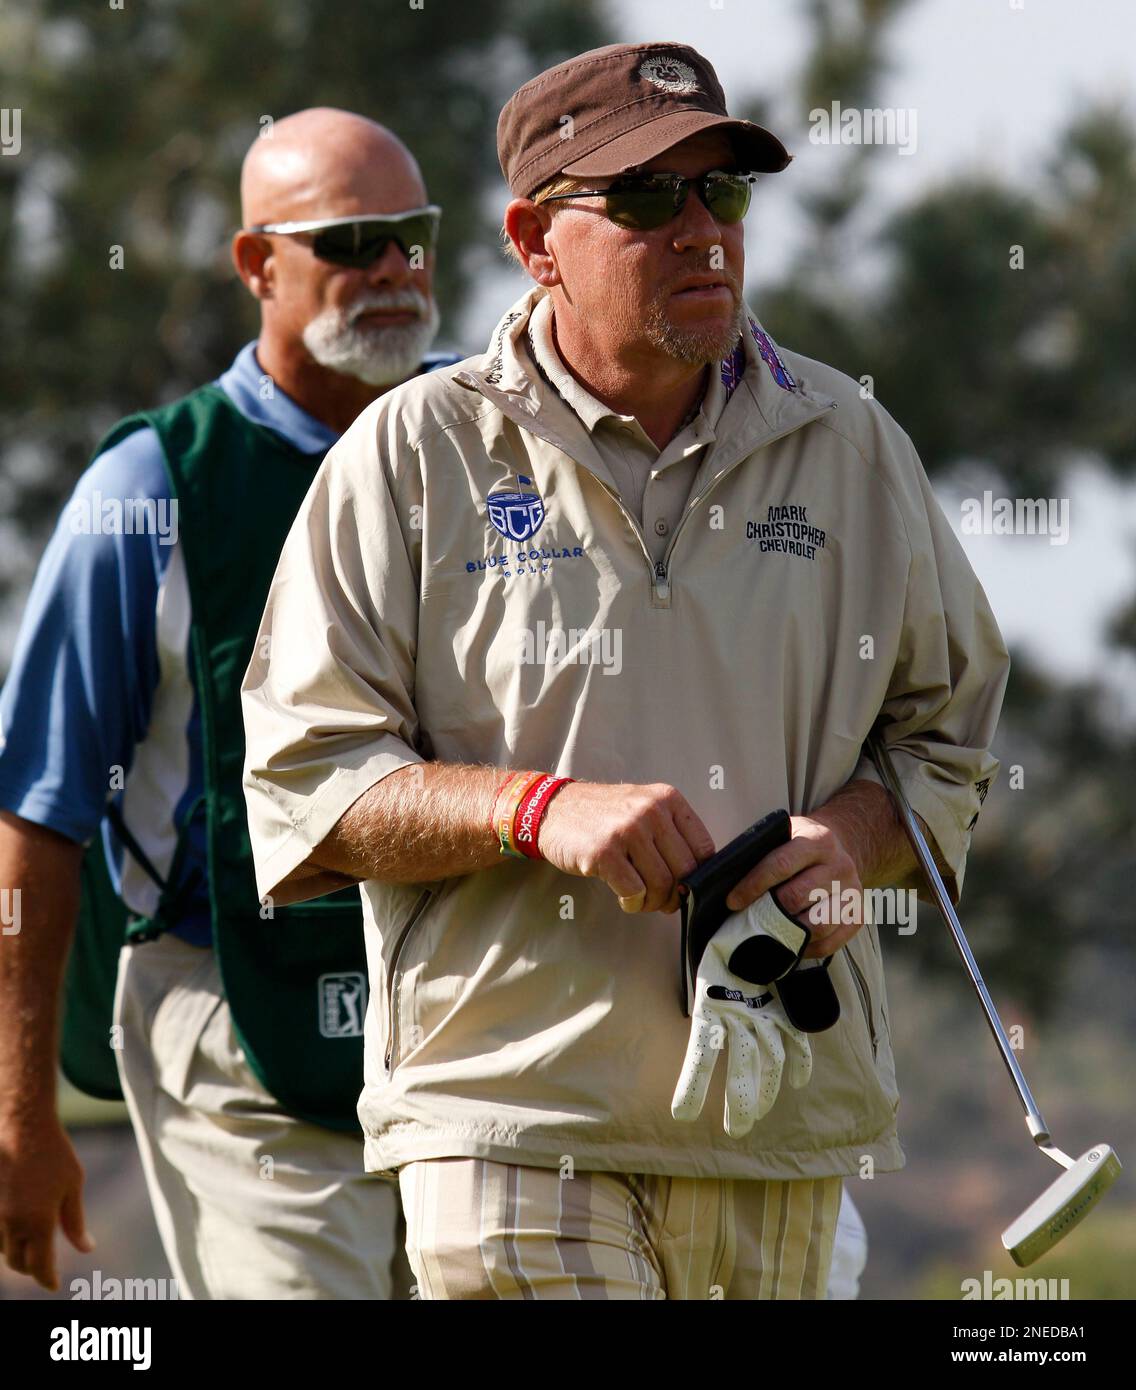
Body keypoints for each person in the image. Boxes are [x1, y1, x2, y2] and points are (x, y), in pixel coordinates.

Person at [240, 43, 1010, 1300]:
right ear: (536, 239)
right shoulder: (411, 453)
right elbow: (307, 778)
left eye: (723, 193)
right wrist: (533, 811)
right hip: (507, 1121)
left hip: (778, 1121)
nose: (700, 231)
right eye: (648, 199)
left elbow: (948, 743)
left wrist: (851, 837)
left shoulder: (852, 442)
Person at [0, 107, 457, 1299]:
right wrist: (18, 1115)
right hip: (229, 1012)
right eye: (353, 240)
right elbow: (36, 818)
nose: (396, 271)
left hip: (468, 1008)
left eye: (413, 237)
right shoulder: (148, 488)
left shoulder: (489, 440)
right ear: (258, 263)